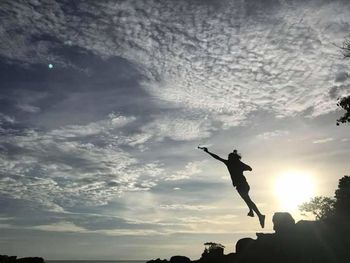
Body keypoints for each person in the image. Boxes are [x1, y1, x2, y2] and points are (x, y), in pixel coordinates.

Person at [199, 147, 265, 228]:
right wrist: (240, 163)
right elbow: (249, 168)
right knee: (247, 199)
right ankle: (253, 212)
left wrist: (208, 152)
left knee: (247, 200)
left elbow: (218, 158)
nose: (228, 158)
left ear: (232, 158)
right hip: (243, 185)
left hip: (241, 185)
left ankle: (259, 215)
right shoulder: (236, 163)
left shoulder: (230, 163)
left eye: (229, 157)